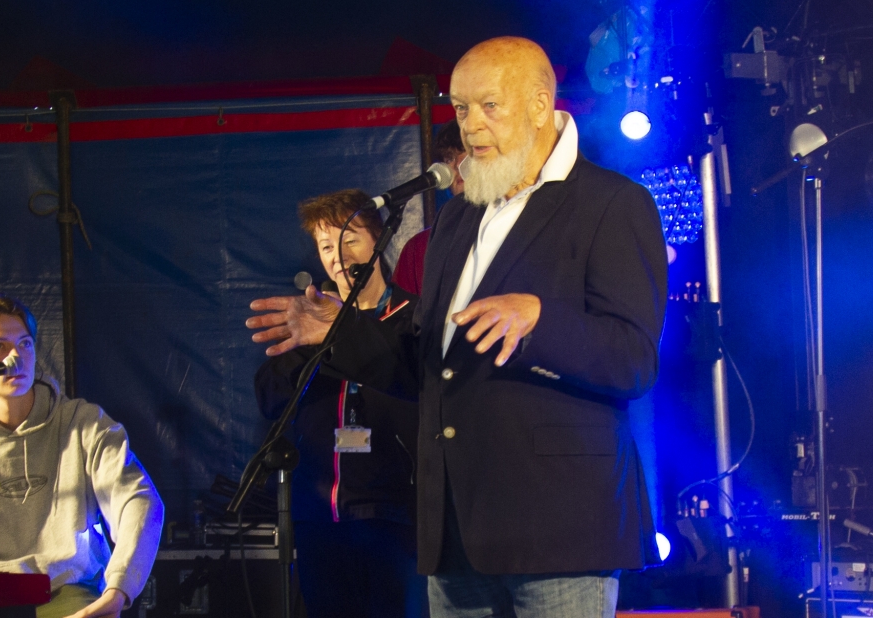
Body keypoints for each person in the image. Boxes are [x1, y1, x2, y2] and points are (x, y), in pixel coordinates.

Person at [249, 36, 666, 617]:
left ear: (540, 105)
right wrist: (336, 335)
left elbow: (634, 360)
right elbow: (424, 361)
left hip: (560, 530)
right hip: (455, 531)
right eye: (462, 108)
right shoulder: (457, 220)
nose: (470, 125)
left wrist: (541, 319)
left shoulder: (611, 203)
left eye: (489, 106)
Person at [0, 295, 163, 618]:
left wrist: (117, 593)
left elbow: (139, 501)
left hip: (72, 594)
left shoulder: (84, 424)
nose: (16, 357)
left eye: (25, 344)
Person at [255, 189, 424, 618]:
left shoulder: (413, 317)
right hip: (320, 517)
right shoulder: (307, 319)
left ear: (379, 241)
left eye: (350, 240)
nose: (339, 256)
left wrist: (352, 335)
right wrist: (312, 343)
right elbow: (269, 400)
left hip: (395, 517)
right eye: (326, 246)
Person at [393, 121, 467, 297]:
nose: (458, 165)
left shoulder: (515, 230)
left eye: (468, 154)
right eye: (449, 158)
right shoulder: (419, 248)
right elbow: (401, 311)